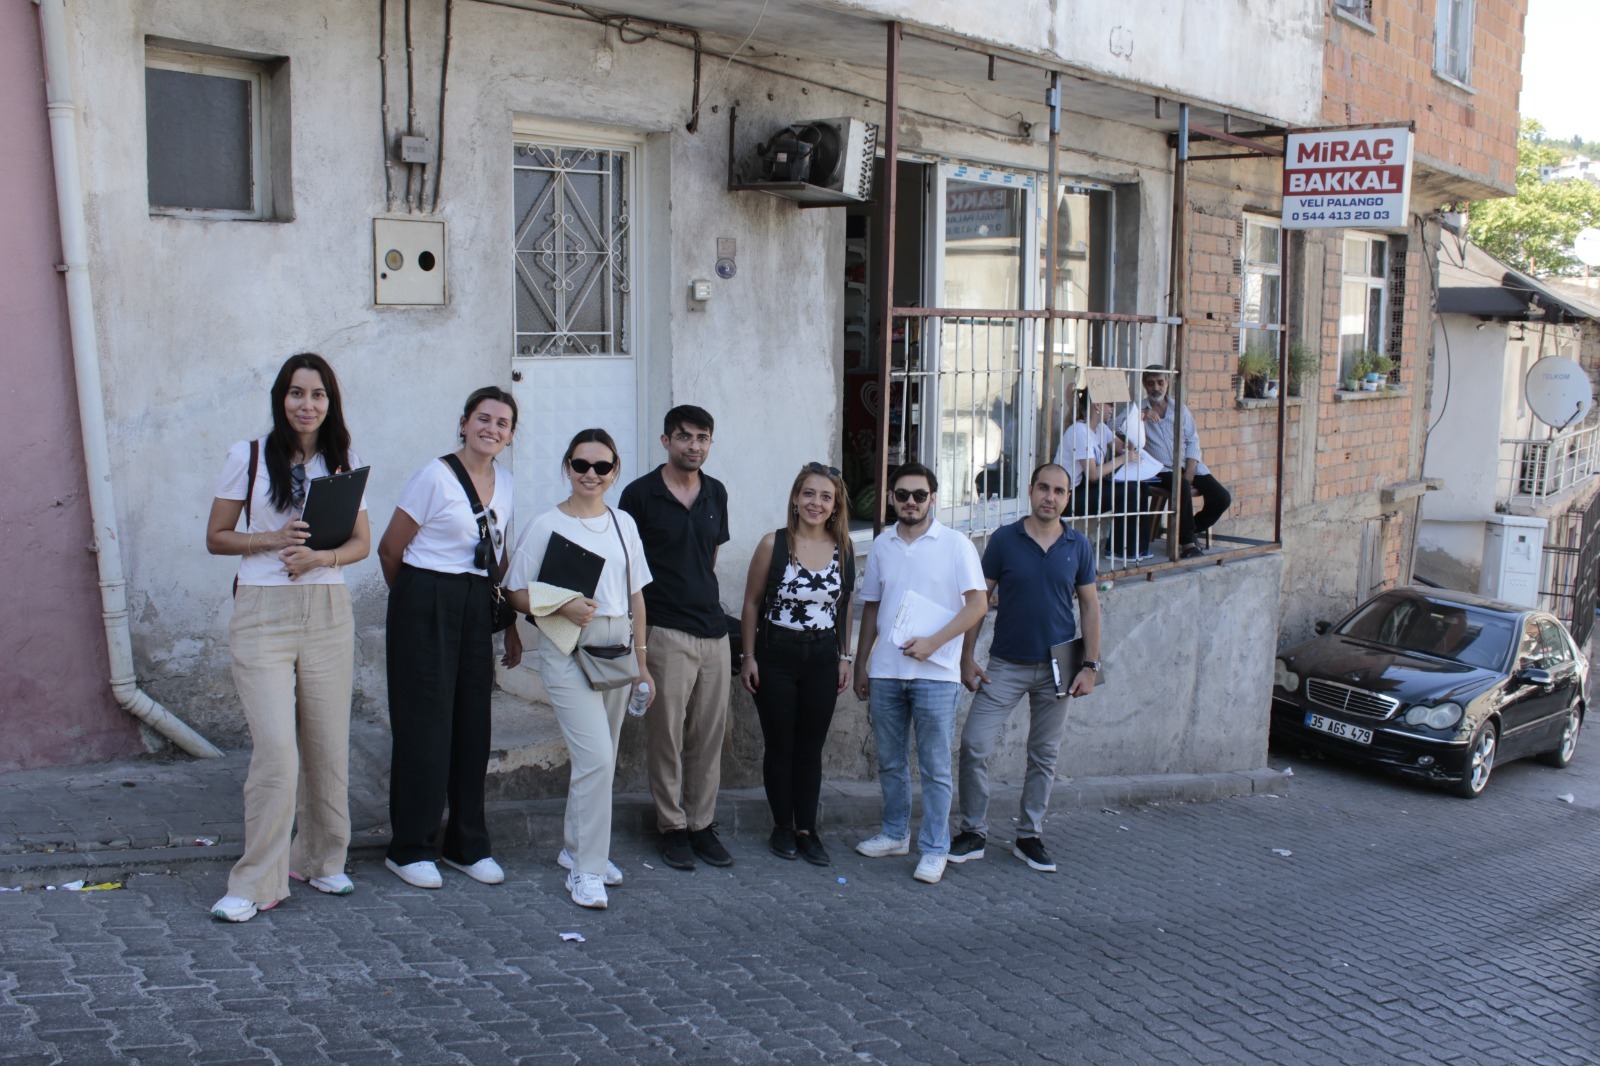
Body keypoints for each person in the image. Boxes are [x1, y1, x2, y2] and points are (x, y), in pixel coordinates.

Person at [204, 353, 370, 922]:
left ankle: (322, 860)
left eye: (318, 394)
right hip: (262, 612)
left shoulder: (344, 459)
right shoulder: (247, 456)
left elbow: (361, 544)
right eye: (296, 393)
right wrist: (272, 540)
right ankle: (257, 882)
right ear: (282, 399)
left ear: (330, 402)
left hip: (327, 606)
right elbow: (217, 537)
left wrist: (320, 556)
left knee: (327, 745)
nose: (307, 404)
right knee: (276, 752)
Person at [377, 387, 522, 892]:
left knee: (471, 725)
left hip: (476, 599)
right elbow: (391, 549)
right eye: (484, 419)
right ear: (463, 423)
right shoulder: (433, 477)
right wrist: (420, 606)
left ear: (510, 435)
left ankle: (466, 843)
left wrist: (508, 623)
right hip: (425, 596)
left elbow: (499, 556)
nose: (492, 429)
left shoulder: (506, 483)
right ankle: (410, 846)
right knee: (425, 725)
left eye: (503, 423)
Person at [506, 429, 653, 910]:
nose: (591, 474)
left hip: (615, 644)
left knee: (602, 756)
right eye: (581, 464)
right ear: (567, 467)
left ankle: (575, 849)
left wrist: (643, 664)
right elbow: (514, 591)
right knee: (596, 758)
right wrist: (564, 603)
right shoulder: (547, 523)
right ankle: (588, 870)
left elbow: (636, 596)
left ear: (615, 472)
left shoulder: (623, 523)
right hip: (567, 645)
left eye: (602, 467)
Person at [951, 463, 1101, 874]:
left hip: (1062, 663)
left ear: (1068, 498)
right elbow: (979, 602)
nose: (1050, 497)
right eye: (1043, 488)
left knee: (1044, 755)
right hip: (1005, 663)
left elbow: (1089, 606)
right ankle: (974, 831)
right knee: (974, 745)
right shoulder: (1004, 540)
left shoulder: (1078, 545)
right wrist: (966, 657)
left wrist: (1090, 665)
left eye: (1059, 491)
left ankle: (1029, 835)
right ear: (1031, 491)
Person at [853, 463, 989, 885]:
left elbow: (977, 604)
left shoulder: (956, 544)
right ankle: (895, 834)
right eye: (902, 494)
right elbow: (871, 606)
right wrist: (862, 663)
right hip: (887, 672)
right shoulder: (881, 545)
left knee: (933, 766)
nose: (910, 502)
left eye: (919, 494)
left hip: (937, 672)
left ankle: (935, 847)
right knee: (891, 762)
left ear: (933, 497)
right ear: (891, 498)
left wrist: (933, 641)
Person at [619, 406, 733, 871]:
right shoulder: (639, 495)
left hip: (713, 632)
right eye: (684, 437)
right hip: (663, 630)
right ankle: (672, 827)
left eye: (702, 437)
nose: (694, 445)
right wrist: (637, 640)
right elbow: (627, 571)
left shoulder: (716, 492)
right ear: (665, 440)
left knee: (708, 737)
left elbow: (710, 557)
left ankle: (702, 825)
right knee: (665, 736)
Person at [739, 463, 856, 867]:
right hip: (777, 655)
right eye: (809, 494)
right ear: (795, 497)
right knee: (781, 744)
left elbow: (845, 605)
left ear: (835, 504)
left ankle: (807, 829)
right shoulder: (773, 544)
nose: (816, 503)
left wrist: (845, 656)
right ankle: (782, 827)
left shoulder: (845, 546)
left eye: (825, 497)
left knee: (811, 746)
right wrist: (749, 657)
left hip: (823, 656)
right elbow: (752, 603)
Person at [1123, 365, 1232, 558]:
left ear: (1167, 383)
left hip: (1188, 465)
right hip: (1159, 468)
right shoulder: (1138, 408)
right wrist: (1142, 416)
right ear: (1144, 385)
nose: (1156, 387)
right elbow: (1114, 426)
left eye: (1160, 382)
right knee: (1180, 485)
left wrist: (1190, 471)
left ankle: (1188, 528)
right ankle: (1188, 543)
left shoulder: (1179, 408)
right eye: (1151, 383)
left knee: (1221, 498)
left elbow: (1192, 440)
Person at [1053, 389, 1151, 560]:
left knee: (1141, 485)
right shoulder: (1080, 432)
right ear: (1097, 405)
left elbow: (1124, 448)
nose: (1112, 408)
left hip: (1087, 489)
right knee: (1129, 491)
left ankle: (1139, 547)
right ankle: (1118, 549)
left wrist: (1135, 427)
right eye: (1110, 404)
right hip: (1069, 497)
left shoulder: (1101, 429)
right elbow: (1092, 474)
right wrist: (1123, 459)